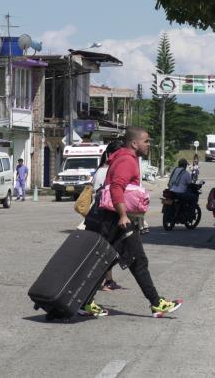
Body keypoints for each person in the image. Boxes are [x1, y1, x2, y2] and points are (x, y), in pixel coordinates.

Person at [80, 127, 182, 318]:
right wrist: (123, 215)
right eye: (146, 141)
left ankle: (85, 301)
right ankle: (156, 303)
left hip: (111, 218)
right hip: (116, 219)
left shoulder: (123, 157)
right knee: (133, 261)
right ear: (134, 143)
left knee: (115, 261)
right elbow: (117, 187)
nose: (148, 144)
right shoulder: (127, 160)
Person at [82, 141, 124, 290]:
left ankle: (108, 280)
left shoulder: (100, 170)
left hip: (96, 214)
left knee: (106, 249)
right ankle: (99, 282)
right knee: (105, 250)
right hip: (104, 215)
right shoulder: (110, 171)